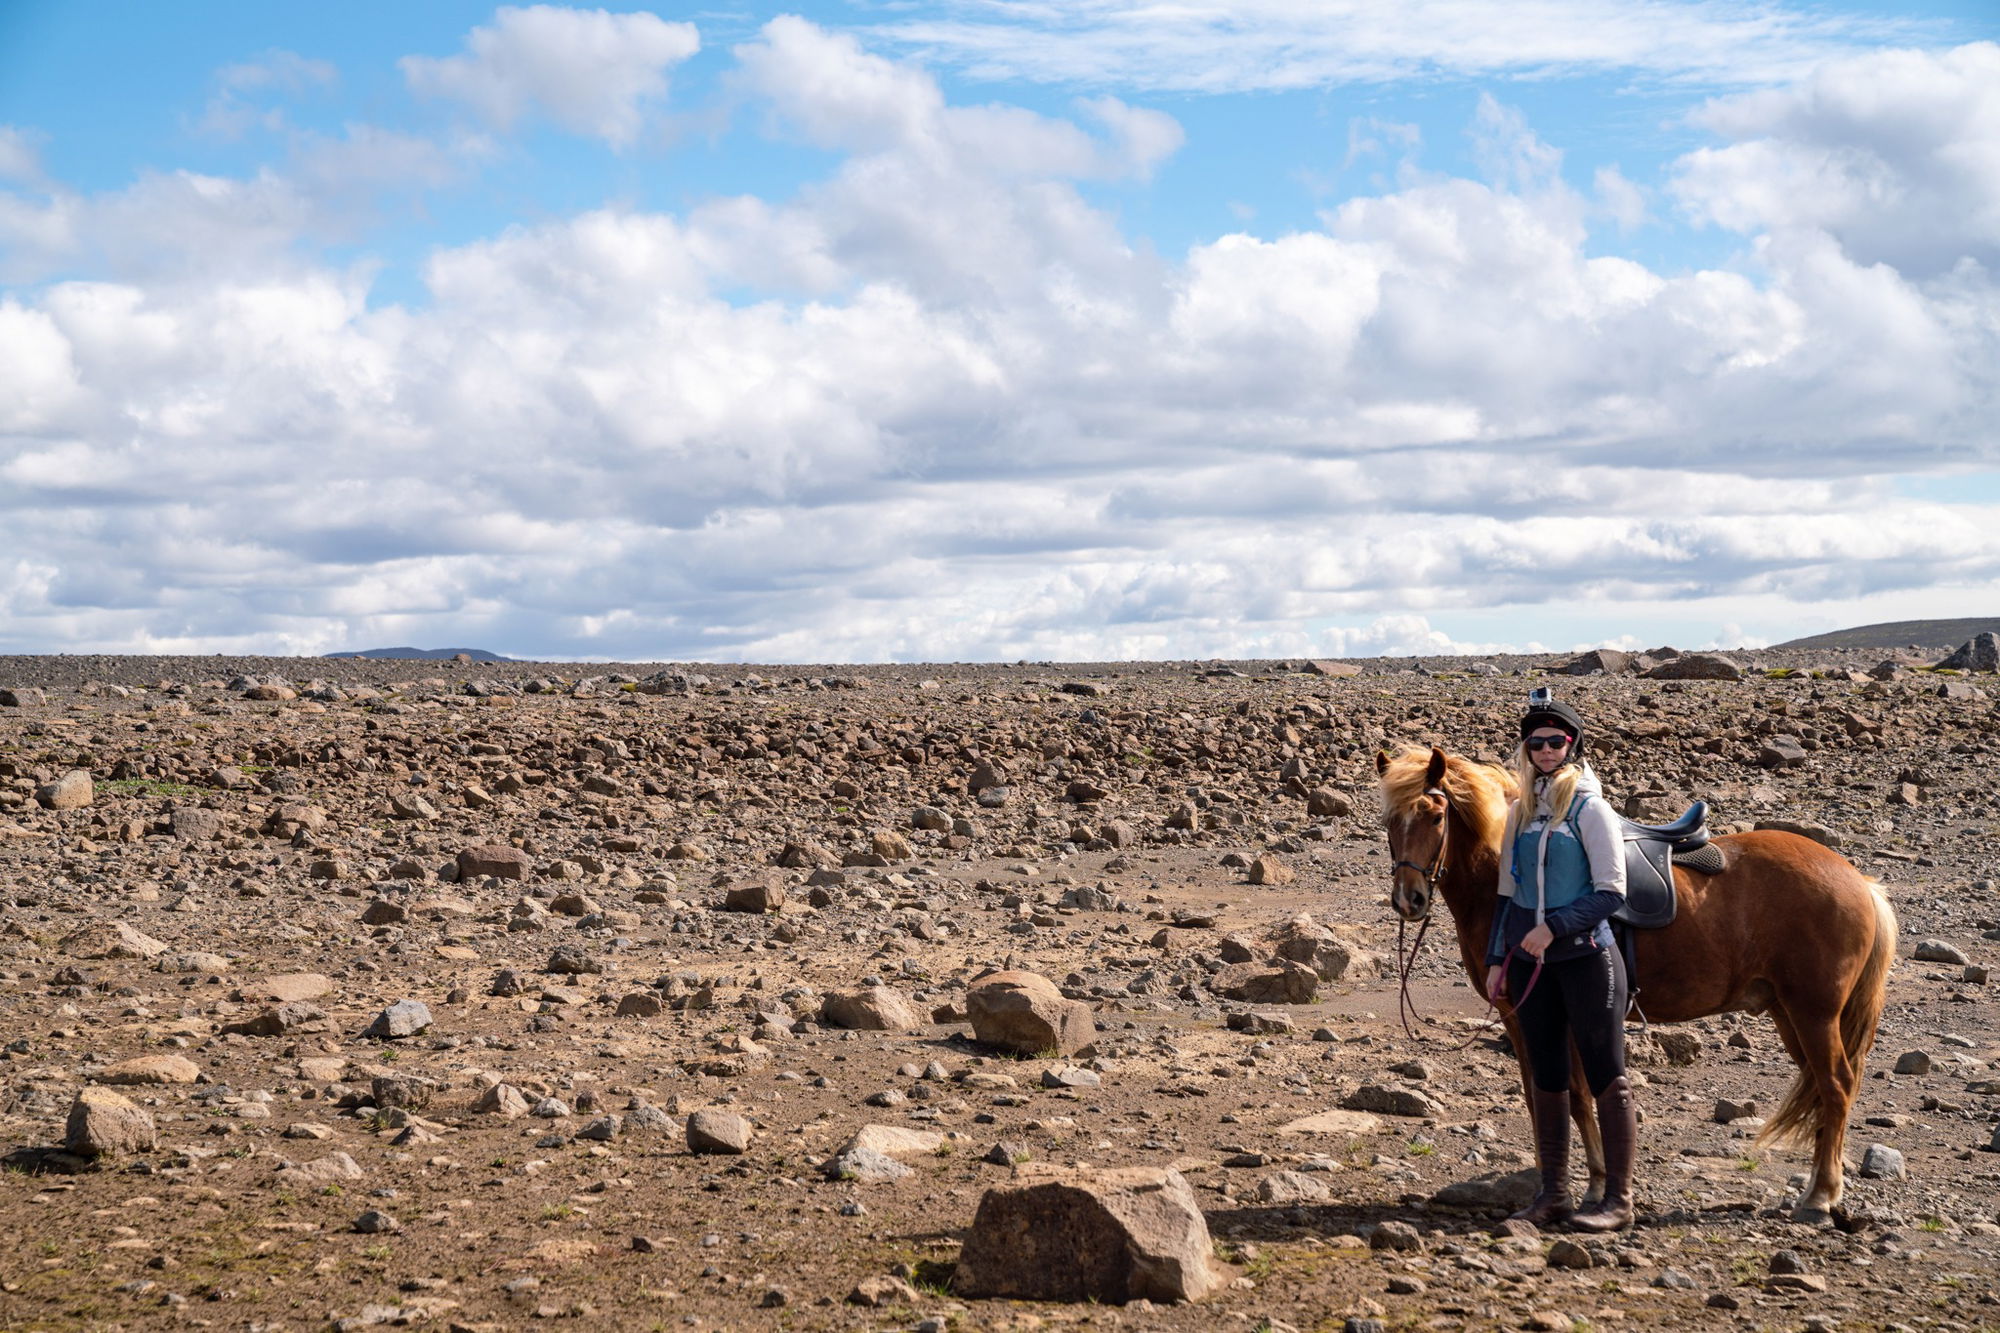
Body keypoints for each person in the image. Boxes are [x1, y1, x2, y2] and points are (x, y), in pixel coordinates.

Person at [1483, 690, 1636, 1231]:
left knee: (1605, 1074)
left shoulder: (1591, 808)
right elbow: (1506, 894)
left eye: (1556, 740)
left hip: (1586, 956)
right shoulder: (1520, 812)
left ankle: (1617, 1199)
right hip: (1531, 965)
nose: (1545, 750)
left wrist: (1554, 928)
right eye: (1536, 742)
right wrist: (1497, 957)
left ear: (1572, 745)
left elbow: (1611, 891)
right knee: (1546, 1075)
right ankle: (1554, 1195)